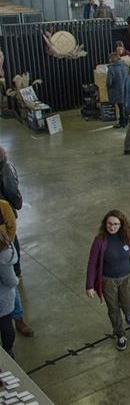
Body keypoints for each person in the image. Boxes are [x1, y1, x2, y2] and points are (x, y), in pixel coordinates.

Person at [85, 210, 130, 351]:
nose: (112, 227)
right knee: (113, 309)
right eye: (109, 224)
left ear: (121, 225)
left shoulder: (128, 237)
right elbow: (92, 263)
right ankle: (120, 334)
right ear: (105, 223)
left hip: (127, 278)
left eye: (115, 224)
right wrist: (89, 285)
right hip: (108, 281)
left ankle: (128, 313)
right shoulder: (99, 241)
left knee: (128, 304)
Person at [0, 148, 32, 337]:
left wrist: (7, 246)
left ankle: (18, 320)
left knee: (11, 284)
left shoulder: (3, 206)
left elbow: (11, 229)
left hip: (3, 251)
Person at [0, 231, 18, 359]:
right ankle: (8, 352)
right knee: (6, 325)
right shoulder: (4, 255)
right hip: (3, 298)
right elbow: (9, 280)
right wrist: (17, 281)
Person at [106, 51, 129, 128]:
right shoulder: (125, 66)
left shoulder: (111, 68)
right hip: (126, 89)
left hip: (116, 90)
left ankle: (121, 123)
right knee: (124, 106)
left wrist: (108, 86)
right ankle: (126, 121)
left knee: (120, 107)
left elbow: (109, 82)